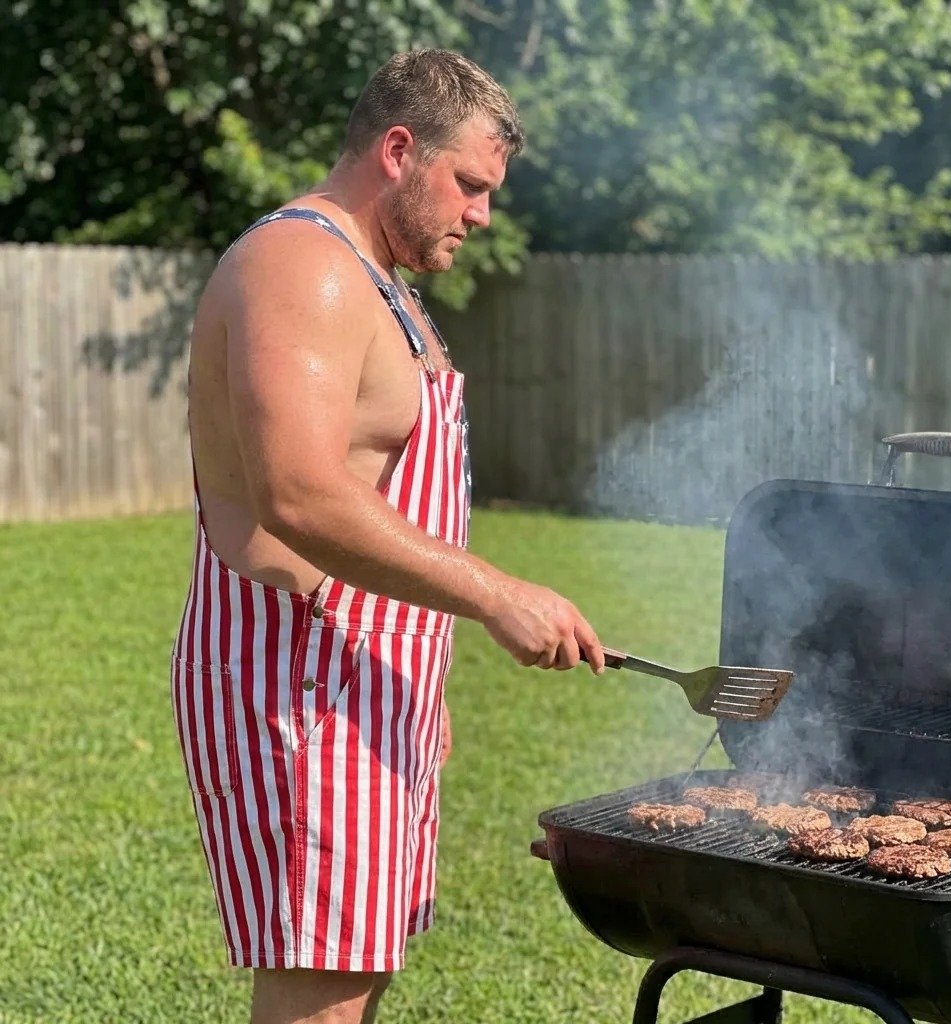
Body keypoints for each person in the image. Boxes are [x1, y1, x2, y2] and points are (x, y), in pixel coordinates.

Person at [169, 48, 605, 1024]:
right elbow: (300, 493)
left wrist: (421, 687)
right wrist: (497, 592)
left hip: (360, 681)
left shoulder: (377, 281)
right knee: (319, 990)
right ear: (399, 149)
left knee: (353, 975)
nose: (483, 214)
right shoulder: (303, 266)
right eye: (471, 184)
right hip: (302, 683)